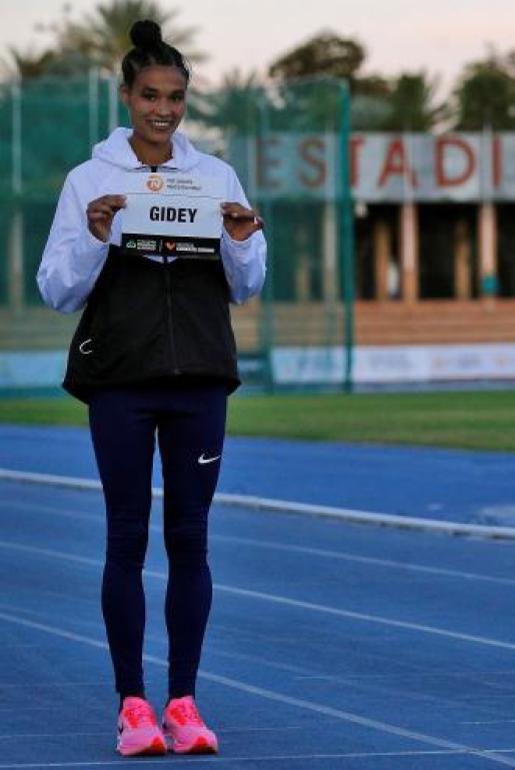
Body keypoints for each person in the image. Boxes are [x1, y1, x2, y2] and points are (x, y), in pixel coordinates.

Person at [37, 20, 266, 756]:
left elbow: (249, 284)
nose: (163, 110)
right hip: (121, 383)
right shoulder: (89, 180)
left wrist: (239, 237)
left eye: (175, 98)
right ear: (127, 97)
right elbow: (57, 290)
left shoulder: (216, 177)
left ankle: (185, 704)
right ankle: (133, 705)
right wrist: (96, 233)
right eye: (150, 97)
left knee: (192, 542)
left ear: (185, 100)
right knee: (126, 539)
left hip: (200, 377)